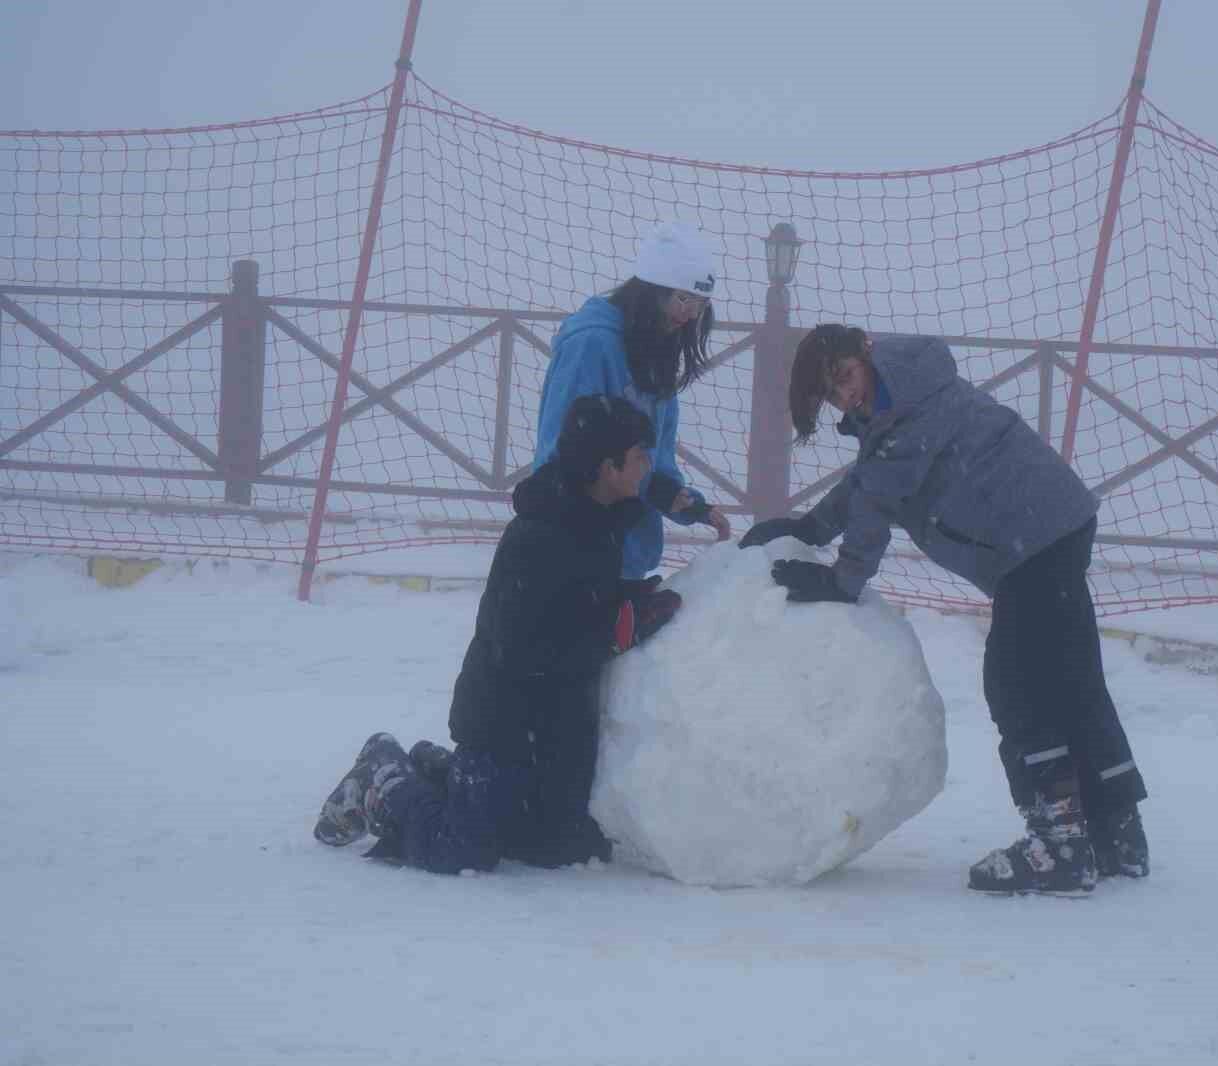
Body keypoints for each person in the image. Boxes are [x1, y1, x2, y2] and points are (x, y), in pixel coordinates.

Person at [740, 324, 1150, 896]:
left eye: (844, 378)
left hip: (1031, 539)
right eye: (831, 395)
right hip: (1051, 525)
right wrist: (812, 526)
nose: (845, 397)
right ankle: (1117, 830)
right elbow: (871, 478)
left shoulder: (908, 409)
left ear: (863, 351)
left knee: (1018, 685)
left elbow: (879, 495)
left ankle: (1060, 843)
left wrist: (843, 579)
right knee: (1071, 679)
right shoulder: (903, 394)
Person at [313, 395, 684, 874]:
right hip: (504, 721)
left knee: (558, 848)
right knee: (462, 851)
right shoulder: (539, 537)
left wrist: (633, 602)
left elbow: (582, 601)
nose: (648, 467)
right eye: (640, 457)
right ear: (607, 467)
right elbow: (521, 648)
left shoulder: (603, 521)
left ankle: (437, 771)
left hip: (557, 725)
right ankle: (381, 774)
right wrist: (611, 638)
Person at [534, 220, 732, 580]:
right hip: (577, 550)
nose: (689, 314)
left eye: (700, 304)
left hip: (626, 554)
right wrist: (574, 536)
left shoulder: (655, 354)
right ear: (649, 292)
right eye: (683, 298)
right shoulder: (591, 345)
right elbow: (560, 451)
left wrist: (675, 497)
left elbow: (656, 456)